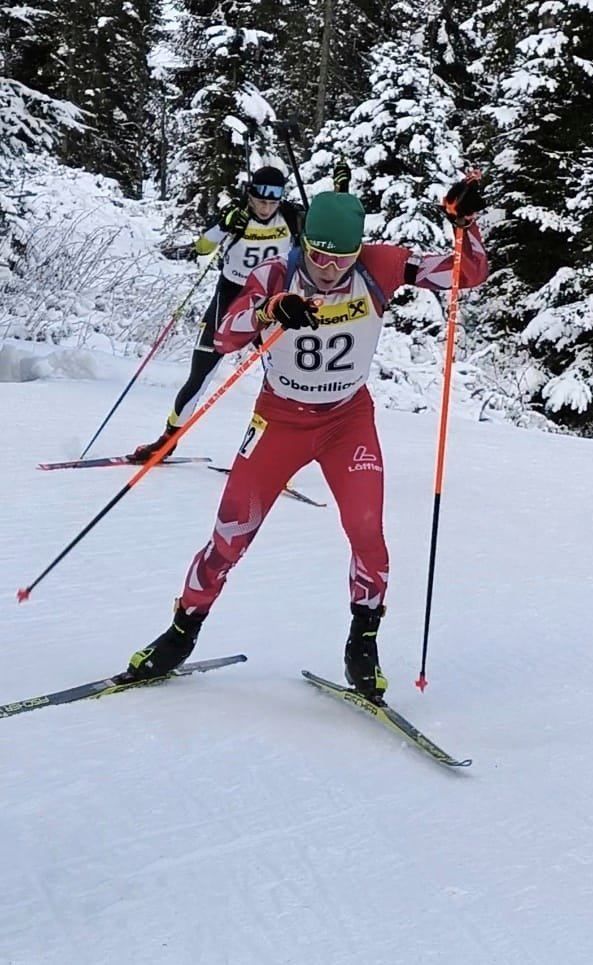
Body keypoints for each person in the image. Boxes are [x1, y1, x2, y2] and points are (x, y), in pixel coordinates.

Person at [126, 174, 487, 699]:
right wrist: (270, 310)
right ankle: (181, 634)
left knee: (368, 532)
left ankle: (362, 644)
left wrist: (465, 225)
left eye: (343, 258)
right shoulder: (277, 272)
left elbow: (467, 273)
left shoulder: (380, 265)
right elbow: (223, 335)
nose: (330, 268)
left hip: (347, 422)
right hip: (279, 421)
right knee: (231, 533)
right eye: (319, 255)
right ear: (304, 242)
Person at [129, 161, 351, 462]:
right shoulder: (237, 215)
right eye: (260, 201)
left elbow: (331, 232)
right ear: (250, 195)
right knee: (201, 373)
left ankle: (273, 451)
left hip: (273, 301)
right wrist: (223, 225)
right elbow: (203, 247)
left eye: (272, 201)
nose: (265, 208)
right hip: (231, 296)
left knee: (282, 380)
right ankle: (168, 440)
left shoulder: (290, 216)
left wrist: (341, 191)